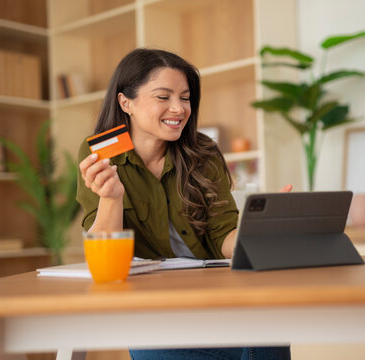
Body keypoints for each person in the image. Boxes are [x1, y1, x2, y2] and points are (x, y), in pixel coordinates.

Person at [77, 48, 291, 360]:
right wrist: (111, 198)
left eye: (185, 97)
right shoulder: (99, 153)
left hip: (214, 298)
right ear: (126, 102)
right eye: (163, 97)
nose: (178, 108)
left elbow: (223, 237)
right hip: (152, 311)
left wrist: (259, 230)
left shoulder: (202, 152)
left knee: (269, 330)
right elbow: (108, 267)